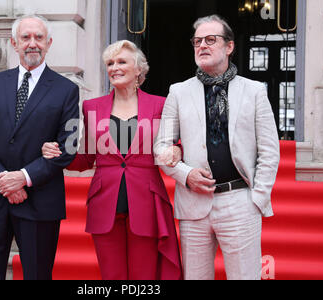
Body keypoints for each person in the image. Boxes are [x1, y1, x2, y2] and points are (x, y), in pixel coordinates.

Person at [42, 40, 183, 280]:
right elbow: (86, 158)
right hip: (105, 202)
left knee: (144, 276)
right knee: (111, 276)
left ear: (138, 69)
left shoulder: (160, 104)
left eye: (121, 62)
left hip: (147, 201)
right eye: (109, 63)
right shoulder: (91, 107)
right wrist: (59, 153)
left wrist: (177, 151)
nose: (114, 67)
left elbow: (172, 144)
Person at [154, 15, 280, 280]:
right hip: (193, 203)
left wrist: (257, 199)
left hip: (239, 200)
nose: (202, 46)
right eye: (197, 41)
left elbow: (269, 150)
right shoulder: (178, 92)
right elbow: (162, 147)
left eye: (211, 40)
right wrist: (185, 174)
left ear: (229, 46)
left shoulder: (254, 91)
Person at [0, 15, 80, 280]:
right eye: (25, 37)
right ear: (14, 43)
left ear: (49, 43)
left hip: (39, 200)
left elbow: (69, 147)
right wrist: (2, 180)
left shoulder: (67, 90)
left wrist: (23, 178)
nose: (32, 43)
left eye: (38, 37)